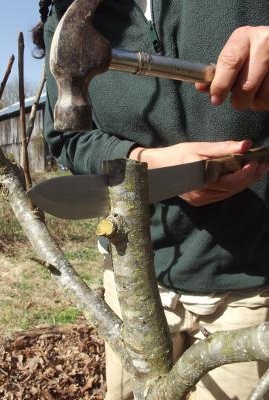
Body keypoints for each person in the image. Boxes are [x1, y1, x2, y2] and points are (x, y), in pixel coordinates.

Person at [32, 1, 269, 399]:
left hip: (249, 283)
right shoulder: (68, 12)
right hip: (132, 273)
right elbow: (67, 138)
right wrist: (145, 165)